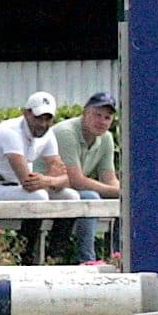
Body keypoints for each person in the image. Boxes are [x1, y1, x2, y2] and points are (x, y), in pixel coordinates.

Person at [0, 89, 76, 263]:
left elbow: (67, 177)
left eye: (48, 119)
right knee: (39, 196)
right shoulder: (10, 132)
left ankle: (55, 257)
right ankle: (24, 256)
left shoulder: (48, 134)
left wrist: (47, 180)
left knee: (72, 197)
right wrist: (51, 180)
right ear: (26, 113)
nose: (43, 124)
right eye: (38, 118)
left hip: (17, 189)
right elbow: (27, 182)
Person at [47, 91, 121, 264]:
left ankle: (117, 258)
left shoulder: (107, 138)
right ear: (85, 112)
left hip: (71, 191)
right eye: (97, 115)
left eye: (107, 117)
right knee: (91, 197)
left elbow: (109, 178)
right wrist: (116, 190)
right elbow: (76, 180)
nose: (102, 121)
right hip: (47, 187)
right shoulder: (66, 132)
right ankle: (86, 261)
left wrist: (122, 193)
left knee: (123, 202)